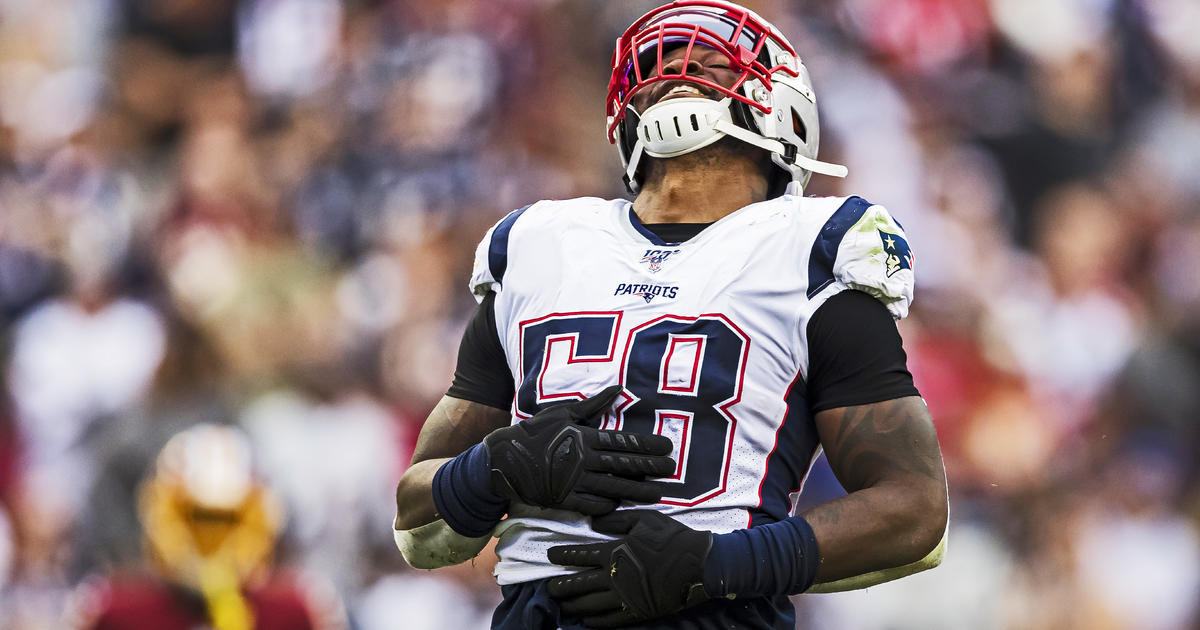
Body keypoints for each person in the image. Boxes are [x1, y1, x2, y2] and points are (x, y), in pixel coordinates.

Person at [393, 2, 948, 628]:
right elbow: (419, 527)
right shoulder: (538, 244)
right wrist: (494, 467)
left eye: (711, 62)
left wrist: (718, 564)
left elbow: (915, 511)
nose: (680, 70)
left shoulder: (811, 245)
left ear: (784, 108)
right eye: (663, 65)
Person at [66, 424, 347, 630]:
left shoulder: (300, 610)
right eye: (197, 519)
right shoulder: (108, 611)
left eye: (226, 521)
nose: (211, 540)